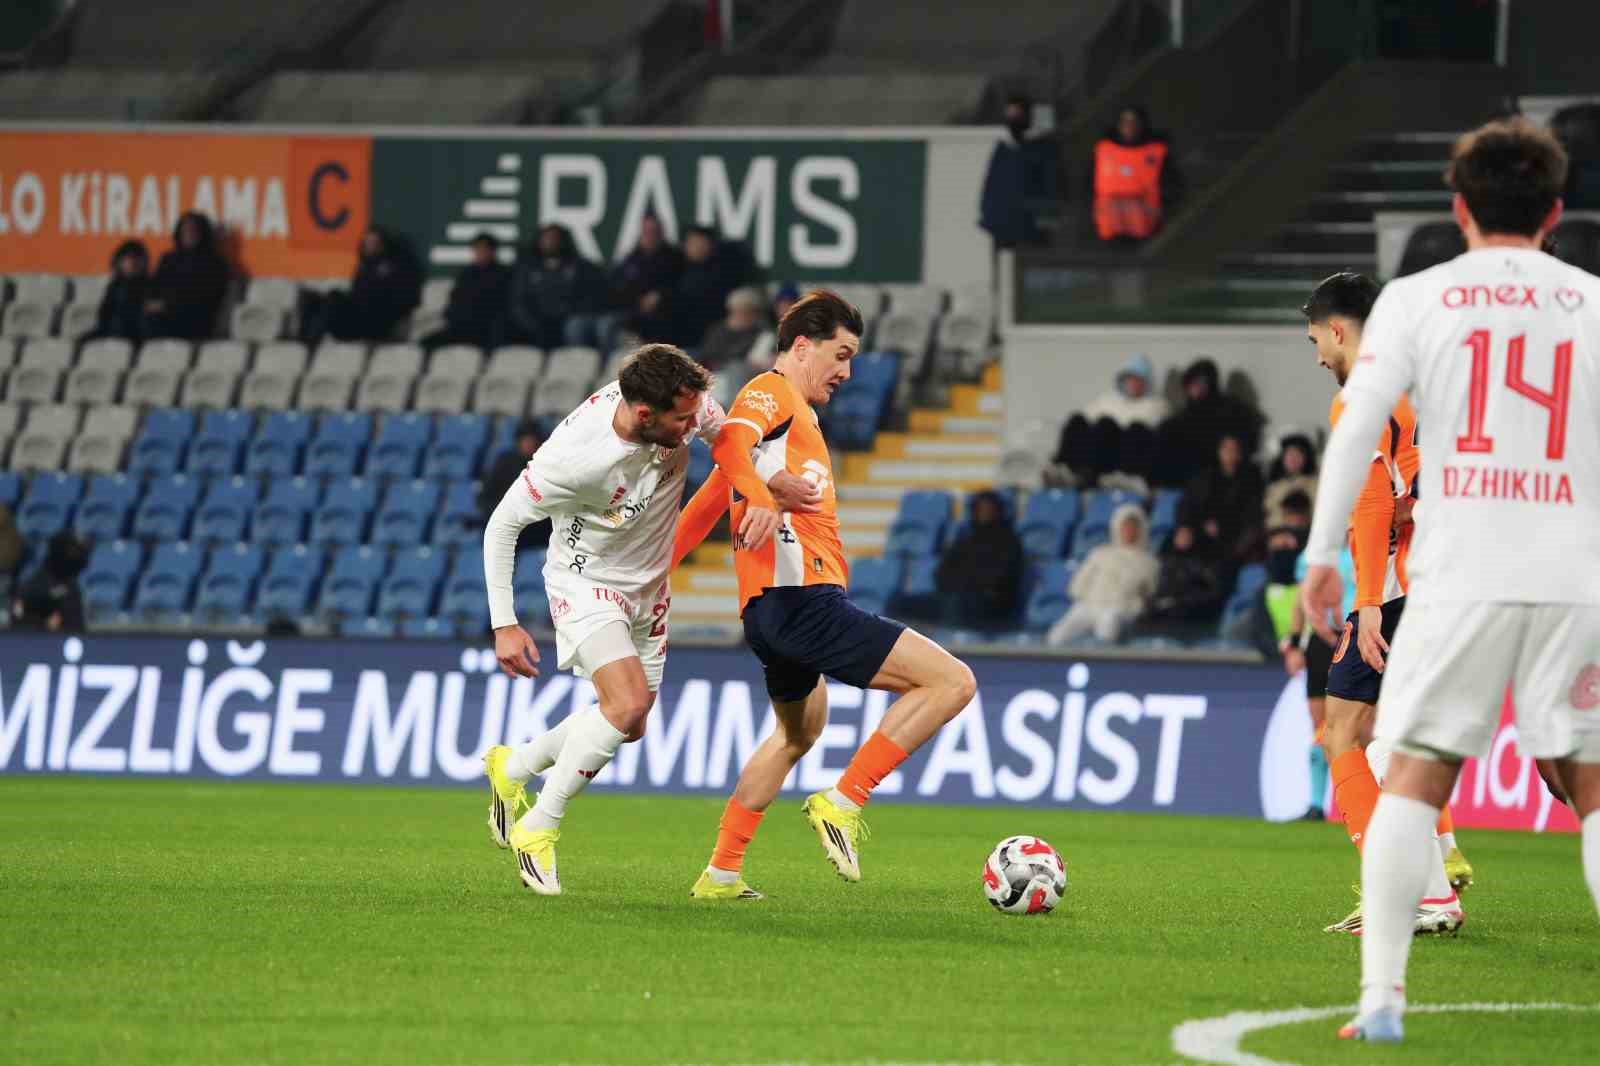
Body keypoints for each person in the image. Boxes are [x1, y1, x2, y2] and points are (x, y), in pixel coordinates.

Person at [1299, 119, 1600, 1044]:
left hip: (1459, 575)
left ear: (1459, 209)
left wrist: (1320, 554)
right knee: (1590, 787)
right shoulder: (1593, 301)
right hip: (1573, 577)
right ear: (1555, 211)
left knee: (1416, 779)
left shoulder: (1421, 301)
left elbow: (1356, 429)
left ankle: (1383, 1000)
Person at [476, 345, 817, 895]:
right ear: (642, 414)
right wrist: (505, 623)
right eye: (680, 420)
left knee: (629, 726)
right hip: (585, 581)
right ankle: (538, 828)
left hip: (649, 587)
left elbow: (729, 440)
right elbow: (501, 526)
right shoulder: (573, 460)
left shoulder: (687, 405)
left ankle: (513, 766)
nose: (692, 425)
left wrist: (767, 484)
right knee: (626, 703)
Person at [671, 290, 977, 898]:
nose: (847, 371)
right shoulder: (773, 390)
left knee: (797, 733)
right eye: (841, 354)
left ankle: (721, 872)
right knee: (952, 682)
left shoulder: (792, 422)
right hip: (802, 598)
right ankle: (844, 800)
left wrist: (659, 567)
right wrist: (760, 497)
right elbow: (727, 443)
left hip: (771, 613)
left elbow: (713, 492)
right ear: (802, 346)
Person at [1299, 271, 1468, 939]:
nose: (1317, 356)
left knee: (1344, 731)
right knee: (1396, 737)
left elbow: (1371, 510)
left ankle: (1402, 893)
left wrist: (1368, 601)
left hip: (1402, 588)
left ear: (1338, 330)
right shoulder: (1429, 379)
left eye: (1316, 339)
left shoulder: (1364, 397)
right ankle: (1440, 864)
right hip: (1462, 579)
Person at [1046, 502, 1157, 646]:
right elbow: (1078, 584)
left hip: (1120, 609)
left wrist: (1134, 605)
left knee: (1108, 625)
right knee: (1057, 635)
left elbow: (1149, 592)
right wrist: (1088, 599)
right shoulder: (1099, 554)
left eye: (1133, 527)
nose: (1129, 531)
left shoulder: (1148, 562)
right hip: (1089, 605)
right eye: (1125, 526)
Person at [1052, 354, 1169, 486]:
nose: (1133, 384)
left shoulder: (1155, 405)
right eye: (1130, 379)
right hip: (1100, 450)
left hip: (1126, 454)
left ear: (1146, 383)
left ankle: (1121, 477)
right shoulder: (1107, 401)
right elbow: (1085, 419)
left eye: (1138, 380)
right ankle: (1065, 470)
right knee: (1077, 420)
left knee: (1127, 428)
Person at [1151, 357, 1263, 487]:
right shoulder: (1179, 419)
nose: (1196, 388)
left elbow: (1248, 443)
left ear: (1211, 383)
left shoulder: (1233, 410)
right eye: (1192, 384)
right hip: (1185, 481)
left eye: (1200, 382)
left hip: (1222, 476)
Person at [302, 226, 421, 344]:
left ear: (382, 245)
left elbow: (402, 302)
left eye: (374, 242)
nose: (369, 246)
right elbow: (356, 294)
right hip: (356, 318)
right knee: (312, 298)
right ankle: (304, 343)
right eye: (367, 242)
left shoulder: (397, 269)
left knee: (334, 298)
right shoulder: (363, 267)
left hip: (376, 323)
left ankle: (312, 341)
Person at [505, 224, 609, 351]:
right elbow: (519, 301)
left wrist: (568, 314)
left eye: (554, 238)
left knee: (576, 327)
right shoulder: (527, 268)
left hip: (569, 320)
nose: (550, 242)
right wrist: (533, 323)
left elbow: (591, 298)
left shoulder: (580, 266)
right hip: (536, 323)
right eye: (546, 238)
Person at [935, 490, 1023, 631]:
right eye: (980, 509)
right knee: (901, 603)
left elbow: (1001, 581)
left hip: (992, 604)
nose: (984, 513)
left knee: (956, 605)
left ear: (997, 511)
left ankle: (952, 647)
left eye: (988, 509)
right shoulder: (965, 540)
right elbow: (941, 574)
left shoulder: (1009, 542)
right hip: (956, 596)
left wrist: (967, 583)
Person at [1092, 105, 1181, 242]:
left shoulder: (1157, 152)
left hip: (1145, 229)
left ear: (1142, 125)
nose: (1128, 126)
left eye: (1133, 122)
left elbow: (1174, 186)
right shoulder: (1103, 149)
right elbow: (1088, 184)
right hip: (1108, 230)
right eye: (1125, 121)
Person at [979, 94, 1057, 250]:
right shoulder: (1003, 148)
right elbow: (991, 184)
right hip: (1002, 226)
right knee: (1003, 269)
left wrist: (1046, 220)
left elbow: (1051, 185)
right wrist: (988, 215)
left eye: (1016, 113)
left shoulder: (1043, 148)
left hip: (1030, 229)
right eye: (1009, 113)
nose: (1012, 118)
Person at [1175, 433, 1264, 568]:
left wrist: (1224, 529)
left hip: (1231, 539)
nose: (1228, 453)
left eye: (1233, 449)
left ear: (1240, 454)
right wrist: (1186, 527)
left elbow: (1251, 516)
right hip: (1199, 531)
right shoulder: (1203, 477)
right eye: (1225, 448)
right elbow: (1187, 504)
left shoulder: (1250, 482)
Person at [144, 212, 228, 340]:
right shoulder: (168, 259)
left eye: (193, 230)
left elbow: (206, 298)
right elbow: (154, 287)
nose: (189, 234)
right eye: (185, 230)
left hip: (194, 320)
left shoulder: (215, 263)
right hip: (163, 316)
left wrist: (168, 305)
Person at [422, 232, 509, 351]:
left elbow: (499, 306)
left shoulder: (503, 274)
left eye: (484, 249)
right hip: (460, 326)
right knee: (426, 344)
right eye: (477, 249)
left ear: (492, 251)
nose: (480, 253)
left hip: (486, 329)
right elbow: (455, 299)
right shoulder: (467, 273)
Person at [610, 214, 683, 348]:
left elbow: (679, 283)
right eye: (647, 231)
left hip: (664, 311)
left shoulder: (674, 257)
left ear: (661, 232)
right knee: (609, 324)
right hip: (632, 310)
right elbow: (619, 284)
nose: (650, 235)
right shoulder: (632, 257)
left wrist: (659, 294)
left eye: (654, 231)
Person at [476, 420, 549, 550]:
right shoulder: (505, 462)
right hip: (506, 527)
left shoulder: (546, 465)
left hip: (537, 531)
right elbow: (485, 498)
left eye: (532, 440)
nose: (528, 444)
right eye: (525, 440)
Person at [672, 226, 740, 349]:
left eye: (700, 243)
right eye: (691, 243)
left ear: (710, 245)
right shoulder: (676, 269)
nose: (696, 247)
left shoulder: (721, 273)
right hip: (679, 339)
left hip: (709, 340)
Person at [11, 531, 88, 633]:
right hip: (38, 642)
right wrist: (44, 625)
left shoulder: (72, 588)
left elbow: (77, 626)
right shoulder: (35, 585)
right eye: (72, 552)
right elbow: (18, 614)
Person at [91, 240, 150, 342]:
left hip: (134, 335)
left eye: (137, 259)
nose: (132, 263)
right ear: (119, 261)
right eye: (128, 258)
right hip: (109, 331)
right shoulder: (114, 286)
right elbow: (104, 314)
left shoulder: (149, 285)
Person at [1263, 431, 1319, 528]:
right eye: (1289, 454)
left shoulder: (1316, 485)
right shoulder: (1275, 487)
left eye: (1297, 455)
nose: (1292, 459)